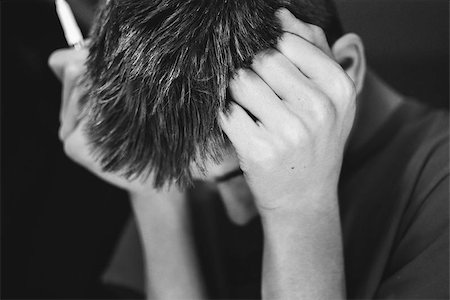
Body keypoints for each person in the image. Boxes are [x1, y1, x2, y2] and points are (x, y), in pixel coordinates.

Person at [48, 0, 449, 298]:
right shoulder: (191, 159)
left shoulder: (437, 185)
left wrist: (299, 208)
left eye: (242, 172)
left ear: (339, 68)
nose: (235, 215)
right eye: (191, 180)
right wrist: (153, 189)